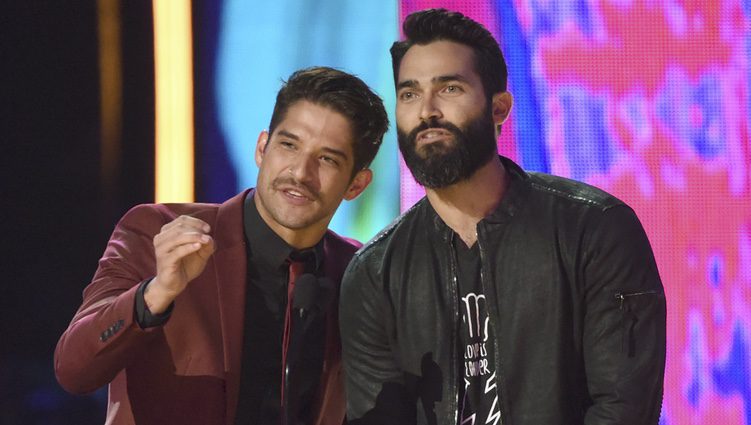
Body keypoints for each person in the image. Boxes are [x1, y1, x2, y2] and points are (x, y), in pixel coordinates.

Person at [340, 9, 666, 425]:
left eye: (450, 88)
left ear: (499, 108)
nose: (427, 111)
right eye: (409, 94)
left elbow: (623, 408)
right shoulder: (374, 273)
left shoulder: (595, 229)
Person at [55, 66, 388, 425]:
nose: (300, 172)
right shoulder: (158, 230)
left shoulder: (358, 274)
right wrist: (155, 294)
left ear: (356, 184)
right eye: (289, 145)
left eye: (327, 159)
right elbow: (73, 370)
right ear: (262, 148)